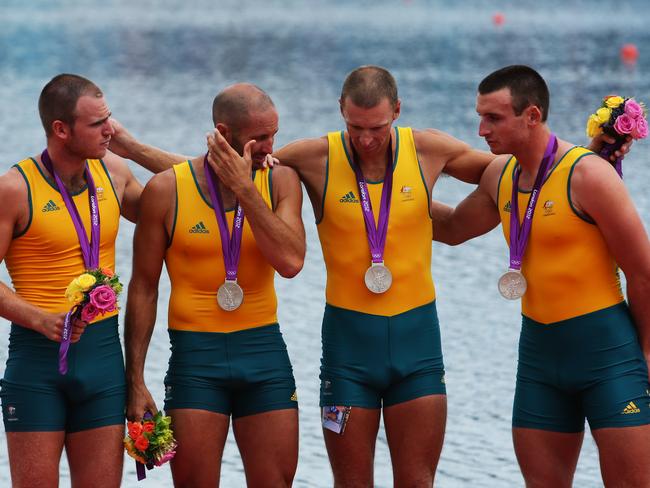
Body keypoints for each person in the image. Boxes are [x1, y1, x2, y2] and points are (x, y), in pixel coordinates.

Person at [212, 65, 496, 487]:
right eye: (354, 126)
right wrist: (129, 149)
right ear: (340, 111)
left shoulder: (429, 149)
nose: (365, 139)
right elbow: (203, 172)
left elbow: (514, 173)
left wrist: (589, 154)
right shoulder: (312, 157)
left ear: (397, 111)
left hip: (417, 348)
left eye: (377, 127)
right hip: (348, 353)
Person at [430, 65, 650, 487]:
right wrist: (397, 194)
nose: (481, 130)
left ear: (531, 116)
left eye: (493, 118)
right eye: (480, 116)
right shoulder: (501, 176)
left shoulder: (589, 176)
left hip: (609, 358)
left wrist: (645, 357)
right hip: (539, 360)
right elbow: (454, 228)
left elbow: (643, 274)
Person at [123, 83, 305, 487]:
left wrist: (245, 188)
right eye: (261, 137)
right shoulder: (166, 190)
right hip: (195, 360)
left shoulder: (280, 182)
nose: (271, 146)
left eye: (274, 133)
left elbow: (291, 262)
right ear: (224, 133)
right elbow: (143, 289)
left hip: (264, 355)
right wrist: (134, 380)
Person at [0, 74, 169, 487]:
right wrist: (39, 318)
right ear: (61, 129)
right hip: (37, 364)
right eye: (97, 125)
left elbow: (195, 191)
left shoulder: (113, 171)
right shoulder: (14, 189)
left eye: (109, 119)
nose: (109, 130)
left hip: (103, 361)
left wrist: (133, 148)